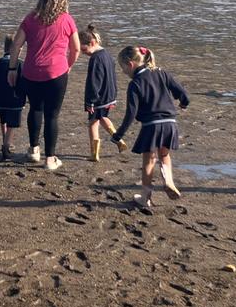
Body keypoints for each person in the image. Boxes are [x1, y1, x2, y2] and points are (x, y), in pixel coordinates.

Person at [7, 0, 80, 171]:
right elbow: (76, 48)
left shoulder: (31, 18)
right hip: (57, 73)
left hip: (31, 72)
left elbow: (16, 45)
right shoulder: (66, 19)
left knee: (35, 109)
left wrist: (12, 68)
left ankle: (33, 150)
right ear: (63, 3)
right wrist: (68, 65)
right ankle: (50, 158)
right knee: (52, 115)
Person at [111, 46, 190, 208]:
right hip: (170, 123)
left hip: (151, 126)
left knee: (148, 161)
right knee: (164, 154)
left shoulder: (135, 84)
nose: (123, 72)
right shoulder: (162, 73)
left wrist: (118, 134)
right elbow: (182, 93)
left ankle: (145, 197)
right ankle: (168, 180)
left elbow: (130, 114)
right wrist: (183, 103)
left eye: (123, 68)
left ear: (130, 64)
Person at [78, 25, 127, 161]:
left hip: (98, 97)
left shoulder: (95, 59)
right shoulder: (107, 55)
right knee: (103, 118)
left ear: (92, 43)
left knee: (93, 123)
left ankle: (94, 154)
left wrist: (90, 100)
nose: (83, 53)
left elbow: (94, 81)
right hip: (109, 94)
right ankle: (119, 140)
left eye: (84, 49)